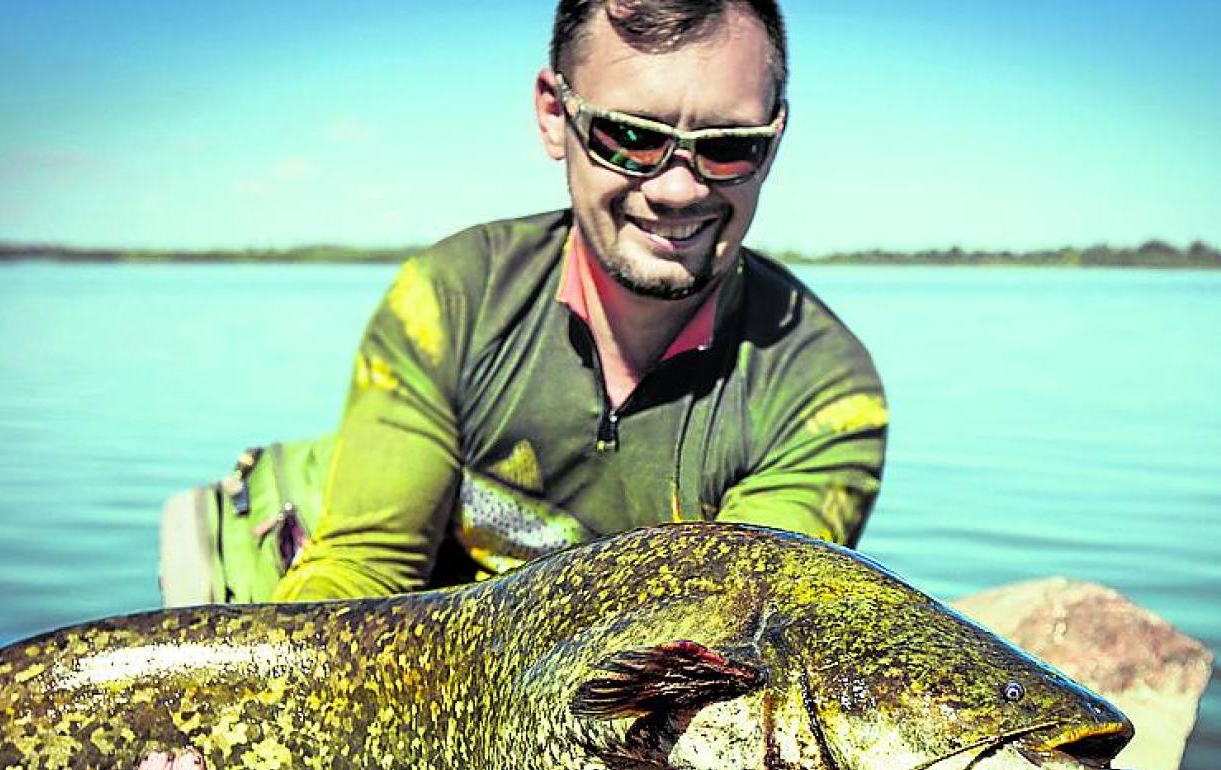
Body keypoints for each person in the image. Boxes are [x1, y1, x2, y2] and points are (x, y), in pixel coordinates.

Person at [144, 0, 887, 764]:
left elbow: (746, 640)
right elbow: (364, 570)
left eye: (727, 146)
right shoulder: (450, 297)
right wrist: (242, 724)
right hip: (407, 640)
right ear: (551, 113)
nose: (676, 188)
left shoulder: (828, 397)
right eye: (630, 136)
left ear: (775, 137)